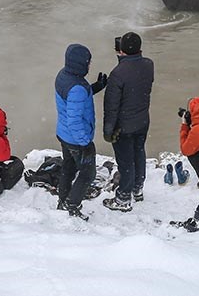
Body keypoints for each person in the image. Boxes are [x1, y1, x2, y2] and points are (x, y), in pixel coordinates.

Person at [101, 32, 154, 212]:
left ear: (121, 50)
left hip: (124, 126)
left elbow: (111, 106)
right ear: (140, 48)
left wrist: (108, 130)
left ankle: (123, 198)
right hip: (142, 121)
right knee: (139, 154)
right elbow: (135, 78)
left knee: (126, 162)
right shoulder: (148, 65)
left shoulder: (117, 74)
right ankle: (137, 189)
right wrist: (125, 58)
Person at [54, 43, 107, 220]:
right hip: (76, 139)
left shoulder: (64, 76)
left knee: (68, 167)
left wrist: (96, 87)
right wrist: (85, 144)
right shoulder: (76, 87)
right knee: (88, 173)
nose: (90, 65)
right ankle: (73, 204)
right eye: (88, 62)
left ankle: (63, 199)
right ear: (81, 64)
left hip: (64, 134)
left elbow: (74, 100)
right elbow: (74, 120)